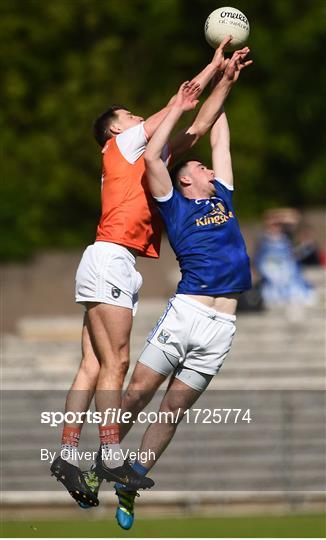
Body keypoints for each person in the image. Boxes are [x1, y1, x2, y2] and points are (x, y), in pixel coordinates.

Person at [50, 38, 251, 507]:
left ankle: (65, 454)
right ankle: (110, 453)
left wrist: (224, 80)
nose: (141, 118)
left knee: (94, 364)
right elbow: (179, 105)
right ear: (115, 130)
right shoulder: (121, 146)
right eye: (131, 115)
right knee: (116, 362)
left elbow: (199, 125)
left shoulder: (147, 161)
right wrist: (210, 66)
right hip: (112, 257)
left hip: (112, 261)